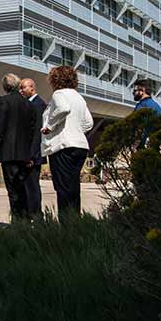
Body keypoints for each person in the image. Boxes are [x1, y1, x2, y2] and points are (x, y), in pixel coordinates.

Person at [40, 66, 94, 220]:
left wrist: (49, 126)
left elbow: (63, 109)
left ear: (55, 80)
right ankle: (75, 221)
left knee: (63, 188)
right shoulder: (79, 97)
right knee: (73, 188)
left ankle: (66, 225)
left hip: (63, 146)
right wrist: (76, 130)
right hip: (80, 146)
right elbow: (89, 123)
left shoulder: (59, 94)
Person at [0, 73, 37, 221]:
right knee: (22, 188)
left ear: (5, 86)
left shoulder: (4, 101)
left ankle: (17, 221)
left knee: (13, 190)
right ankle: (26, 218)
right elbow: (32, 130)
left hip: (8, 153)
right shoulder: (29, 104)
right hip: (24, 153)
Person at [19, 78, 46, 218]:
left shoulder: (37, 105)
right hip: (27, 152)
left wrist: (31, 155)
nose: (21, 90)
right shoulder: (29, 104)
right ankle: (29, 215)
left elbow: (36, 132)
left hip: (32, 154)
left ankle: (36, 215)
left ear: (32, 88)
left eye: (23, 87)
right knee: (27, 185)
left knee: (32, 186)